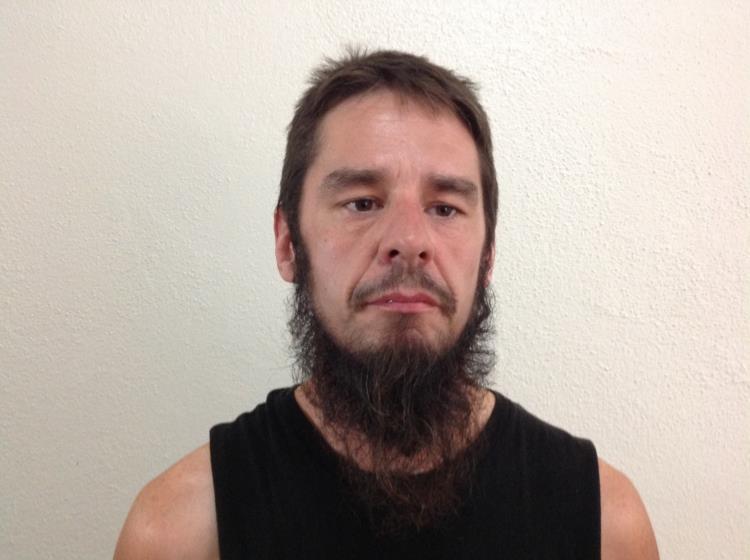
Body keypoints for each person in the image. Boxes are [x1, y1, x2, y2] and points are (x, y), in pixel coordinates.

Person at [114, 49, 659, 559]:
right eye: (362, 202)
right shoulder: (181, 531)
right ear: (287, 244)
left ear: (488, 254)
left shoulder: (604, 525)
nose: (409, 239)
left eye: (444, 208)